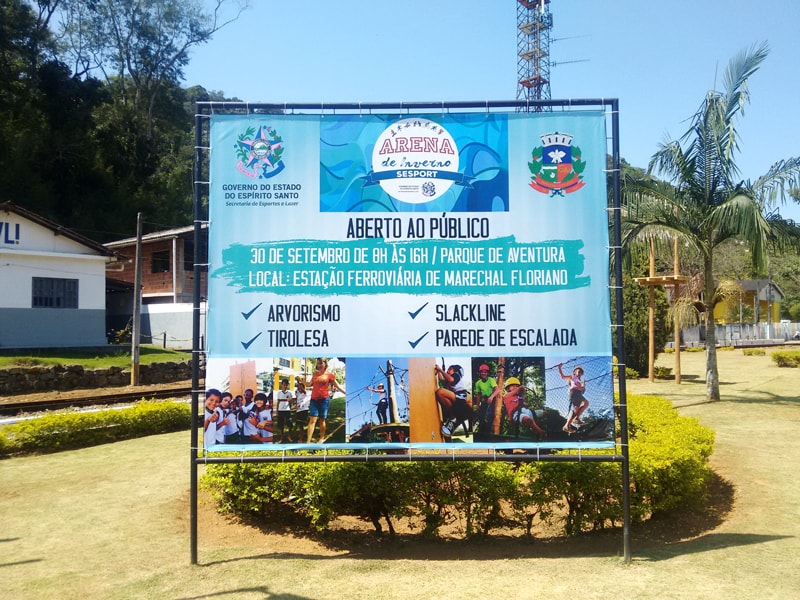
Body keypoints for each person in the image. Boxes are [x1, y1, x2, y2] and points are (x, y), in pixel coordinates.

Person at [306, 358, 345, 443]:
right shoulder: (315, 374)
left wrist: (346, 393)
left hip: (324, 400)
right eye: (318, 364)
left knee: (322, 419)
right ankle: (308, 442)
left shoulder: (329, 375)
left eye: (321, 363)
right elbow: (309, 384)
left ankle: (321, 438)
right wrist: (301, 380)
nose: (319, 365)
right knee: (312, 420)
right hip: (314, 400)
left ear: (325, 364)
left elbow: (337, 385)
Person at [435, 363, 471, 437]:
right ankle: (453, 419)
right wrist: (438, 372)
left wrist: (440, 370)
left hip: (461, 395)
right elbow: (442, 380)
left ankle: (453, 418)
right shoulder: (448, 382)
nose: (448, 371)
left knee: (440, 392)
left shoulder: (456, 375)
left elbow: (450, 379)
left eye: (450, 369)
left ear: (456, 371)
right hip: (457, 398)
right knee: (440, 393)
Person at [558, 363, 588, 432]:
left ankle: (574, 420)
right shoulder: (572, 377)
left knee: (585, 403)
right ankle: (568, 425)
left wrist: (583, 385)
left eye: (581, 372)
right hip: (574, 393)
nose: (579, 372)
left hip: (579, 394)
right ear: (575, 372)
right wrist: (559, 368)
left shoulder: (579, 381)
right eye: (578, 371)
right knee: (576, 409)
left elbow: (582, 390)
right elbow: (563, 377)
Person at [473, 363, 500, 432]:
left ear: (487, 373)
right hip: (484, 400)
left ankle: (488, 431)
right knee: (480, 415)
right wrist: (478, 404)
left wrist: (491, 397)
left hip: (492, 398)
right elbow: (478, 394)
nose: (483, 373)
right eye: (482, 372)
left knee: (490, 414)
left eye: (485, 372)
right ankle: (481, 429)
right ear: (480, 373)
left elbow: (498, 390)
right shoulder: (478, 383)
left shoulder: (491, 380)